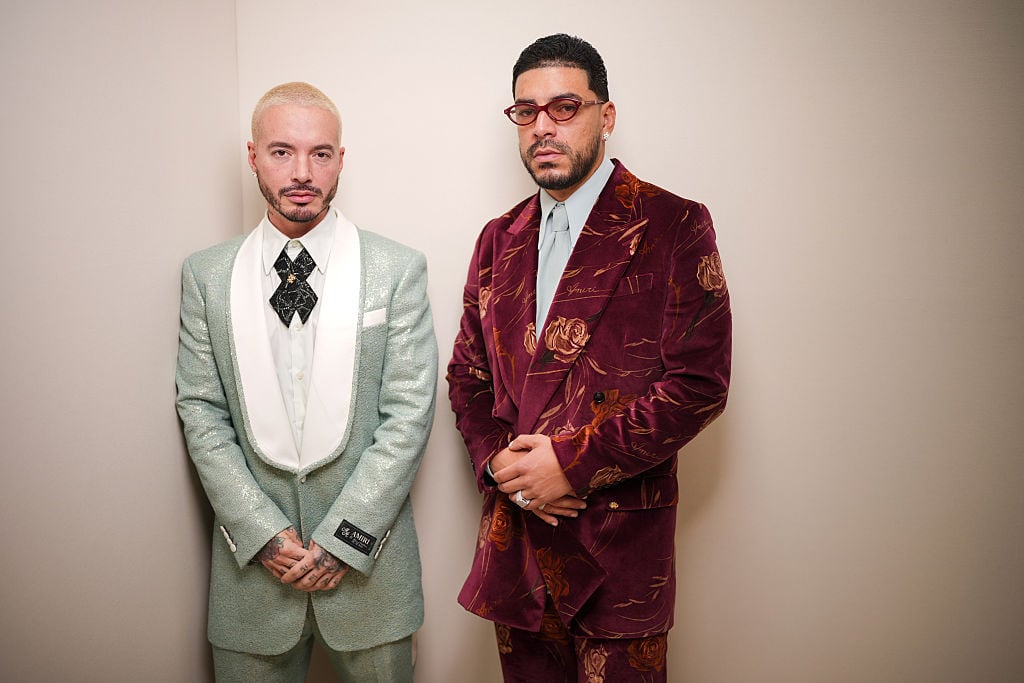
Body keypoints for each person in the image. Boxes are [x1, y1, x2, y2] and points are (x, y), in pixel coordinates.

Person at [447, 35, 731, 681]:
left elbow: (699, 384)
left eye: (564, 106)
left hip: (618, 550)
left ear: (605, 115)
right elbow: (467, 377)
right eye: (526, 111)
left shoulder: (672, 223)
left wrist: (571, 466)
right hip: (516, 547)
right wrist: (500, 464)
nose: (543, 126)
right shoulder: (497, 239)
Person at [176, 82, 436, 682]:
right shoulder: (205, 276)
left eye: (321, 153)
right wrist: (262, 533)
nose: (302, 172)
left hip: (372, 577)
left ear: (342, 159)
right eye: (281, 151)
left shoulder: (398, 269)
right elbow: (201, 412)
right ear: (252, 156)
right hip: (251, 584)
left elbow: (409, 415)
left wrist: (344, 539)